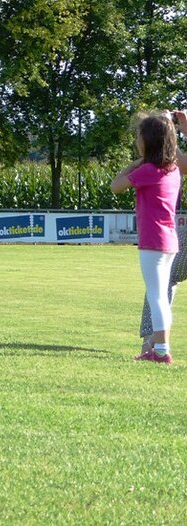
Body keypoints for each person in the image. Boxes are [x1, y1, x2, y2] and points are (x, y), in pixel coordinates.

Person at [111, 111, 184, 364]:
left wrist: (137, 162)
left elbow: (116, 186)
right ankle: (159, 347)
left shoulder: (148, 170)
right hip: (169, 241)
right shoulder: (172, 170)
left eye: (139, 136)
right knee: (160, 295)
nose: (136, 140)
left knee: (156, 295)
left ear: (148, 141)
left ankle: (161, 350)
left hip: (152, 241)